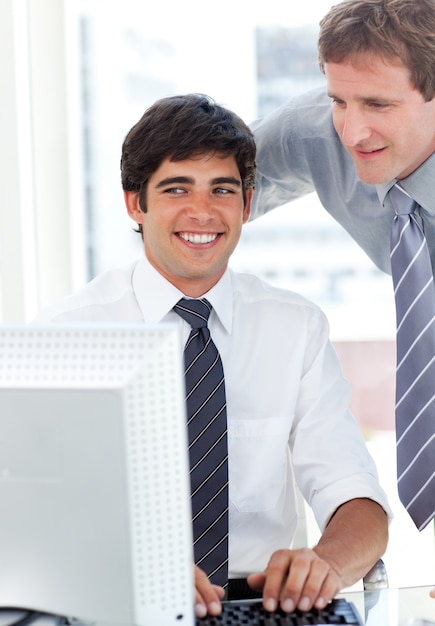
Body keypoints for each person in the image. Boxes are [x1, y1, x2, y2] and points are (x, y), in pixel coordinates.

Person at [34, 93, 390, 618]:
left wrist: (328, 565)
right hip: (117, 600)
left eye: (221, 189)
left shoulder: (295, 328)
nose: (202, 212)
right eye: (176, 188)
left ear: (247, 204)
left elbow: (354, 495)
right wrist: (127, 569)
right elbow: (34, 517)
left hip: (262, 601)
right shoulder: (66, 336)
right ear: (136, 203)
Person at [250, 0, 435, 277]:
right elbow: (192, 187)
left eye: (377, 105)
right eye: (339, 101)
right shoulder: (310, 130)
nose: (350, 135)